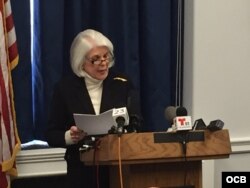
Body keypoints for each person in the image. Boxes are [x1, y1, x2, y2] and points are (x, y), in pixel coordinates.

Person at [45, 29, 142, 188]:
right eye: (95, 59)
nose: (103, 63)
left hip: (117, 168)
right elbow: (51, 134)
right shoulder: (65, 89)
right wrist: (71, 136)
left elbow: (137, 122)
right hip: (82, 171)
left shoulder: (123, 83)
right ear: (81, 62)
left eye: (106, 56)